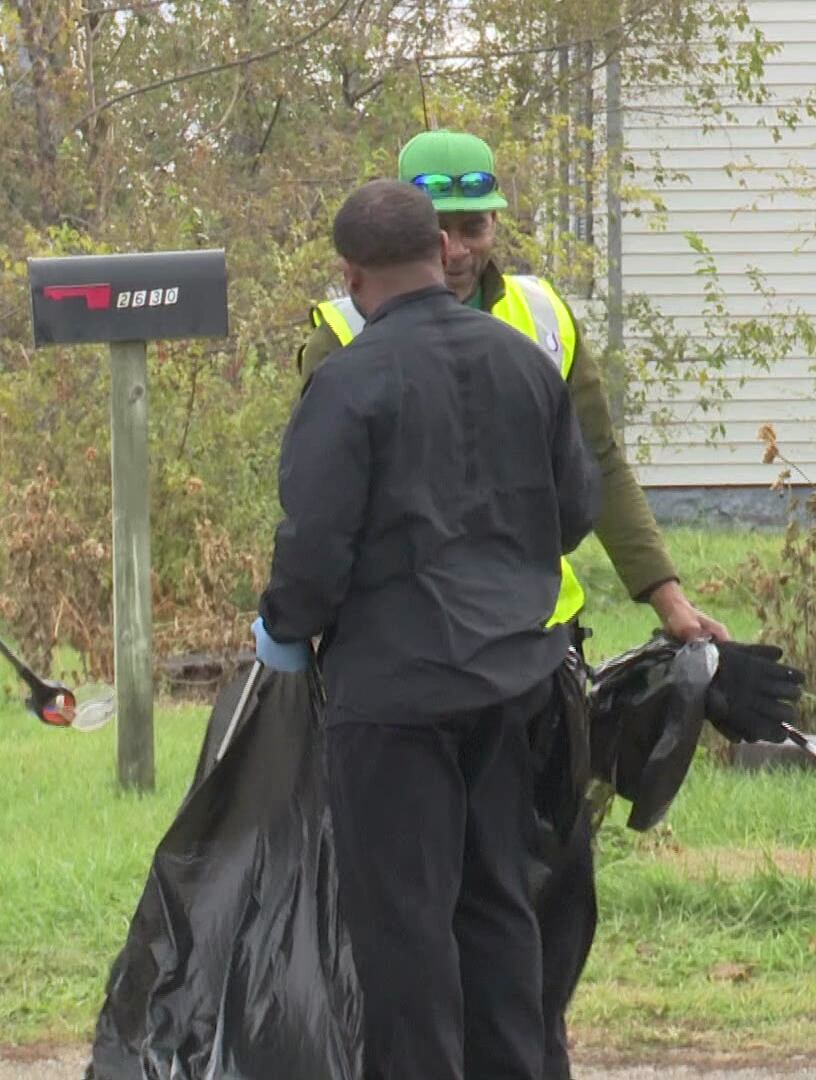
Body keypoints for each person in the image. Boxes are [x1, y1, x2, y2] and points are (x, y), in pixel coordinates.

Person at [295, 128, 733, 1078]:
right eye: (443, 226)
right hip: (507, 663)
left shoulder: (537, 320)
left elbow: (600, 473)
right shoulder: (337, 337)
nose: (460, 247)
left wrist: (666, 598)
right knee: (489, 903)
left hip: (476, 677)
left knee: (514, 905)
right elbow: (566, 501)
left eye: (475, 224)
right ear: (416, 228)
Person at [255, 180, 599, 1080]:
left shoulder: (350, 381)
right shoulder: (523, 360)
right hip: (514, 681)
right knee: (497, 909)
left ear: (350, 272)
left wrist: (287, 626)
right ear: (438, 251)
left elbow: (316, 544)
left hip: (396, 695)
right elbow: (574, 510)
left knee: (404, 927)